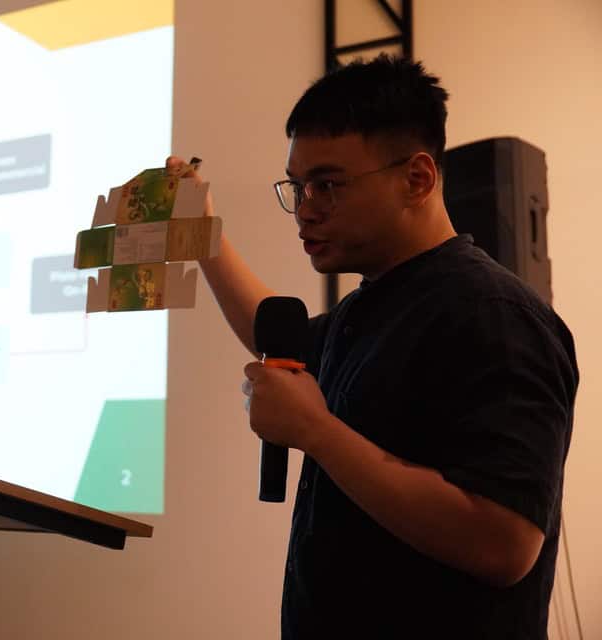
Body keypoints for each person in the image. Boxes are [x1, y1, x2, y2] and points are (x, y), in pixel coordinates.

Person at [169, 54, 579, 639]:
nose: (305, 209)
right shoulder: (369, 308)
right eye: (298, 186)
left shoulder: (494, 316)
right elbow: (271, 332)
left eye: (328, 185)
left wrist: (317, 432)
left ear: (417, 179)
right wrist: (200, 229)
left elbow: (504, 543)